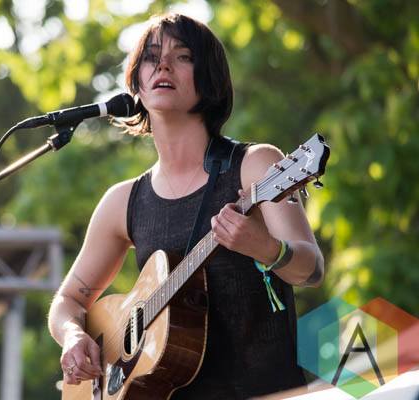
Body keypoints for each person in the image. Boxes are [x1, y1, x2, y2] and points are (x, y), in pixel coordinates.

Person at [48, 13, 324, 399]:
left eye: (182, 56)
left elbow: (312, 270)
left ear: (209, 77)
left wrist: (265, 248)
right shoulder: (122, 202)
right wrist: (73, 335)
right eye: (151, 56)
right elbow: (68, 301)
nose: (163, 65)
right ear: (136, 85)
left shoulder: (256, 166)